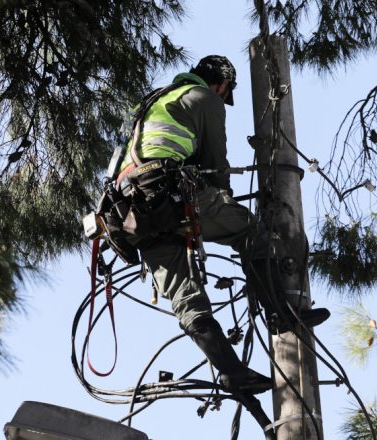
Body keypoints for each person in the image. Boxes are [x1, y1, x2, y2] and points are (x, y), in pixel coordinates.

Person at [116, 55, 329, 394]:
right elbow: (215, 162)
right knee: (252, 231)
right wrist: (225, 199)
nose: (222, 96)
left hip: (133, 213)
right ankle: (281, 314)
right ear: (220, 83)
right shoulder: (203, 99)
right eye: (224, 90)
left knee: (187, 300)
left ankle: (232, 373)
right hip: (170, 192)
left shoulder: (158, 99)